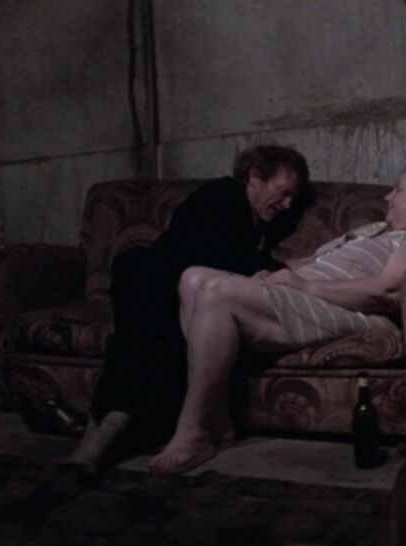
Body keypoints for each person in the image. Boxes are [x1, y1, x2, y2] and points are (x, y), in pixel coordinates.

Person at [147, 164, 406, 474]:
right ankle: (220, 421)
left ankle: (192, 432)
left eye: (398, 190)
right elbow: (314, 263)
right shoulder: (374, 230)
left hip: (350, 309)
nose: (388, 196)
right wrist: (269, 276)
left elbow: (383, 292)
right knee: (192, 278)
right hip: (304, 293)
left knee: (215, 290)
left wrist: (304, 286)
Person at [67, 144, 311, 475]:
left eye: (293, 198)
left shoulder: (256, 224)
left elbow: (237, 262)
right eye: (284, 193)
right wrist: (279, 270)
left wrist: (283, 268)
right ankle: (107, 434)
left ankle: (102, 434)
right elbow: (219, 260)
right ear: (255, 176)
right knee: (156, 333)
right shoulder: (224, 196)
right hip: (150, 277)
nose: (288, 205)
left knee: (157, 340)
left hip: (167, 289)